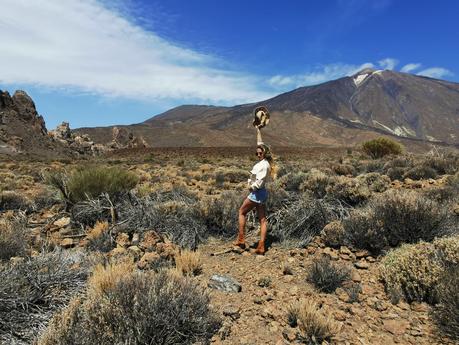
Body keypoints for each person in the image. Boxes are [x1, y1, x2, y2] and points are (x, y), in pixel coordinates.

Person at [233, 125, 275, 255]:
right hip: (262, 195)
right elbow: (260, 143)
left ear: (265, 153)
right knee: (262, 219)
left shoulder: (263, 165)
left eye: (260, 153)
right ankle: (261, 246)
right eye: (256, 153)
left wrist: (251, 187)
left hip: (256, 193)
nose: (258, 154)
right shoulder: (265, 162)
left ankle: (241, 240)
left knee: (242, 212)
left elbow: (259, 182)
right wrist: (258, 130)